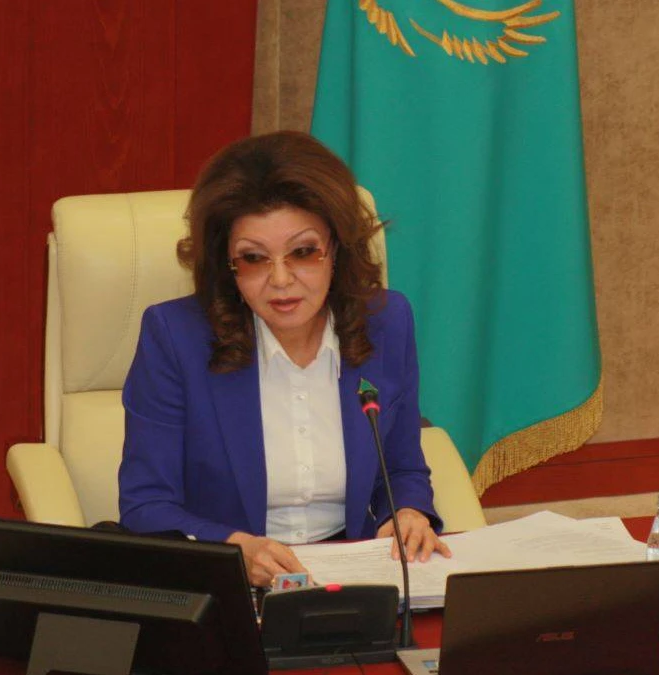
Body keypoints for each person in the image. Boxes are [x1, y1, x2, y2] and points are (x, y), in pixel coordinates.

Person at [118, 130, 451, 586]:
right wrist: (233, 549)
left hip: (356, 574)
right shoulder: (176, 337)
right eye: (254, 258)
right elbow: (145, 505)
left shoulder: (386, 322)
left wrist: (409, 512)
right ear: (227, 265)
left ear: (337, 248)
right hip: (232, 582)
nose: (280, 280)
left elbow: (402, 467)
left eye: (303, 252)